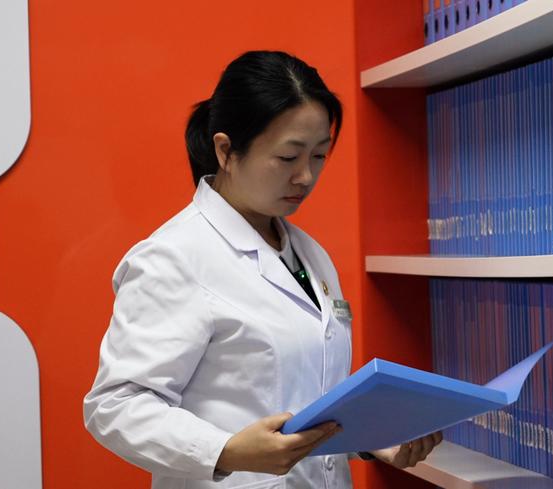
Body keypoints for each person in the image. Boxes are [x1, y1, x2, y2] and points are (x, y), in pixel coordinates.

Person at [83, 51, 442, 489]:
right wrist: (226, 450)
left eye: (319, 155)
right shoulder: (173, 257)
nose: (305, 176)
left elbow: (307, 395)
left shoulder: (309, 254)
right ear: (225, 150)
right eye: (288, 157)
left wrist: (374, 438)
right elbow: (115, 405)